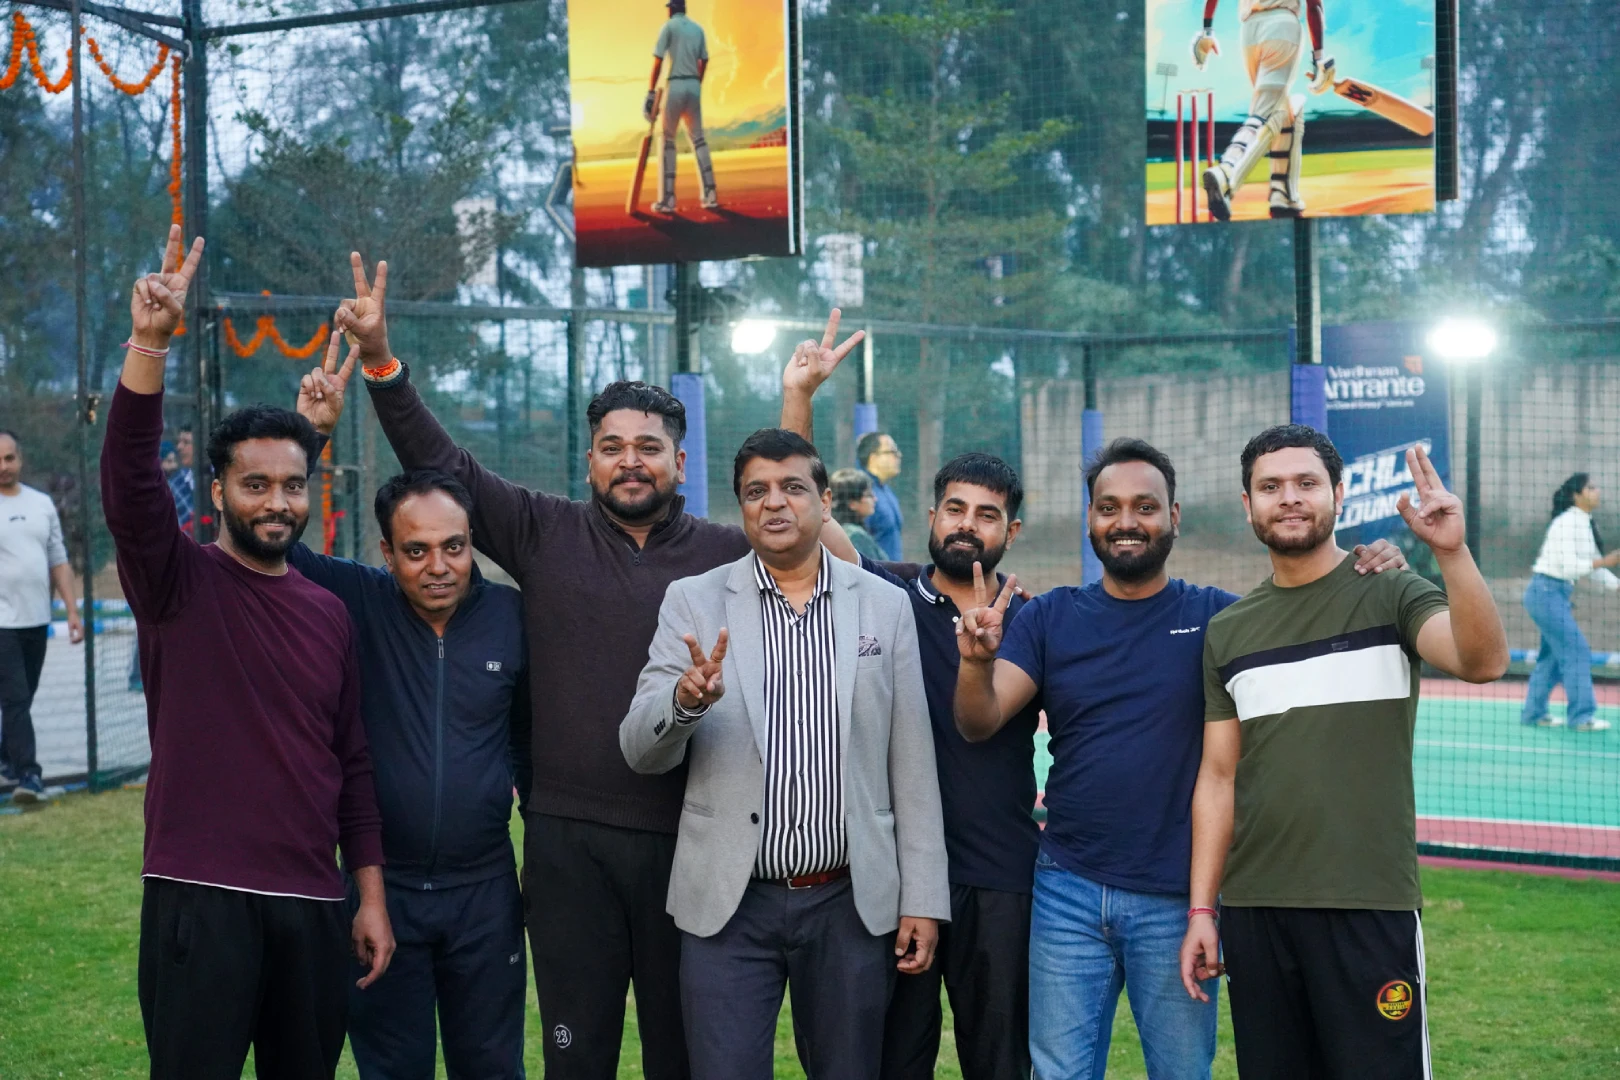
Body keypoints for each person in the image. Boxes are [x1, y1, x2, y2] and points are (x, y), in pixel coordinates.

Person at [310, 250, 866, 1080]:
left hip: (691, 839)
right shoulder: (543, 532)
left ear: (681, 462)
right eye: (612, 447)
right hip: (567, 844)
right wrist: (383, 361)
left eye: (649, 446)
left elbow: (819, 543)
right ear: (590, 463)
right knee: (577, 1055)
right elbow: (444, 464)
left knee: (682, 1056)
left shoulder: (727, 553)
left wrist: (797, 404)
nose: (630, 460)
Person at [952, 437, 1406, 1079]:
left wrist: (1369, 564)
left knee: (1182, 1072)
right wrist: (975, 664)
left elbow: (1306, 609)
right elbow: (980, 720)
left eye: (1145, 506)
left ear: (1174, 517)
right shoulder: (1050, 617)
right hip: (1066, 890)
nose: (1126, 521)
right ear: (1090, 518)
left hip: (1175, 899)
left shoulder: (1221, 619)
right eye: (1109, 507)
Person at [103, 226, 393, 1079]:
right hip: (200, 902)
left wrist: (368, 896)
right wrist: (149, 345)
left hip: (313, 907)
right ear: (218, 491)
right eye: (255, 484)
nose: (276, 502)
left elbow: (353, 764)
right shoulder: (177, 585)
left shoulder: (328, 612)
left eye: (292, 485)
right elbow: (129, 485)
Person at [620, 428, 950, 1080]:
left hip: (849, 902)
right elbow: (637, 748)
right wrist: (684, 701)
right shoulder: (693, 601)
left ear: (824, 501)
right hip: (728, 905)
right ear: (741, 507)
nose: (774, 503)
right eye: (756, 491)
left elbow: (912, 764)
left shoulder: (884, 607)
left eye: (792, 487)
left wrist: (923, 897)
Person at [1180, 425, 1508, 1080]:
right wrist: (1202, 910)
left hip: (1369, 906)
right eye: (1270, 486)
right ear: (1248, 504)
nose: (1289, 498)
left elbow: (1483, 661)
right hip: (1256, 913)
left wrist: (1451, 552)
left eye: (1306, 483)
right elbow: (1218, 778)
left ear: (1337, 493)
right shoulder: (1228, 630)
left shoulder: (1391, 592)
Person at [294, 339, 534, 1079]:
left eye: (454, 547)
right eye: (418, 550)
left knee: (491, 1067)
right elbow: (274, 543)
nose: (439, 567)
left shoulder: (513, 618)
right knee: (393, 1068)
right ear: (387, 553)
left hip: (485, 890)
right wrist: (312, 435)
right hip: (379, 888)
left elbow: (532, 747)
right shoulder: (357, 600)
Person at [835, 453, 1039, 1080]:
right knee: (895, 1061)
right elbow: (811, 511)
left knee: (1001, 1063)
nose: (967, 524)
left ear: (1011, 531)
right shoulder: (887, 597)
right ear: (931, 516)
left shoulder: (1031, 619)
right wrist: (799, 407)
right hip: (898, 878)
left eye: (987, 514)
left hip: (999, 877)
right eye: (955, 508)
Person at [0, 428, 83, 803]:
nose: (4, 466)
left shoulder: (41, 504)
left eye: (9, 458)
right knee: (16, 698)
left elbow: (58, 560)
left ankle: (5, 757)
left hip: (36, 620)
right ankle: (29, 776)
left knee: (22, 697)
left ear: (20, 459)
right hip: (2, 623)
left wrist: (71, 611)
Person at [1193, 0, 1332, 220]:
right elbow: (1314, 5)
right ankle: (1226, 172)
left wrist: (1207, 29)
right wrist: (1319, 58)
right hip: (1282, 27)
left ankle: (1283, 195)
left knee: (1284, 111)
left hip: (1250, 32)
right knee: (1265, 112)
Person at [1520, 472, 1619, 732]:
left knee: (1552, 657)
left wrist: (1616, 583)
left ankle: (1534, 713)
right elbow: (1569, 566)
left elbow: (1594, 569)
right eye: (1591, 487)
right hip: (1545, 593)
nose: (1597, 491)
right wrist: (1604, 561)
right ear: (1577, 495)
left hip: (1553, 594)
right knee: (1577, 651)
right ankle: (1582, 717)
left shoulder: (1584, 522)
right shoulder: (1567, 523)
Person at [645, 0, 718, 213]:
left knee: (667, 139)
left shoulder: (668, 27)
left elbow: (658, 61)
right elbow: (704, 60)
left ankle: (668, 199)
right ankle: (710, 194)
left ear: (672, 9)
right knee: (699, 139)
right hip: (694, 84)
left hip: (675, 84)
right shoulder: (698, 29)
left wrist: (650, 92)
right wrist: (697, 83)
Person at [858, 430, 905, 560]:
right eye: (892, 451)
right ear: (873, 457)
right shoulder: (860, 491)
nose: (899, 456)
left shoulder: (886, 490)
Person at [831, 467, 885, 561]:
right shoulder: (855, 536)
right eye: (869, 495)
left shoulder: (835, 531)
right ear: (852, 503)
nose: (875, 499)